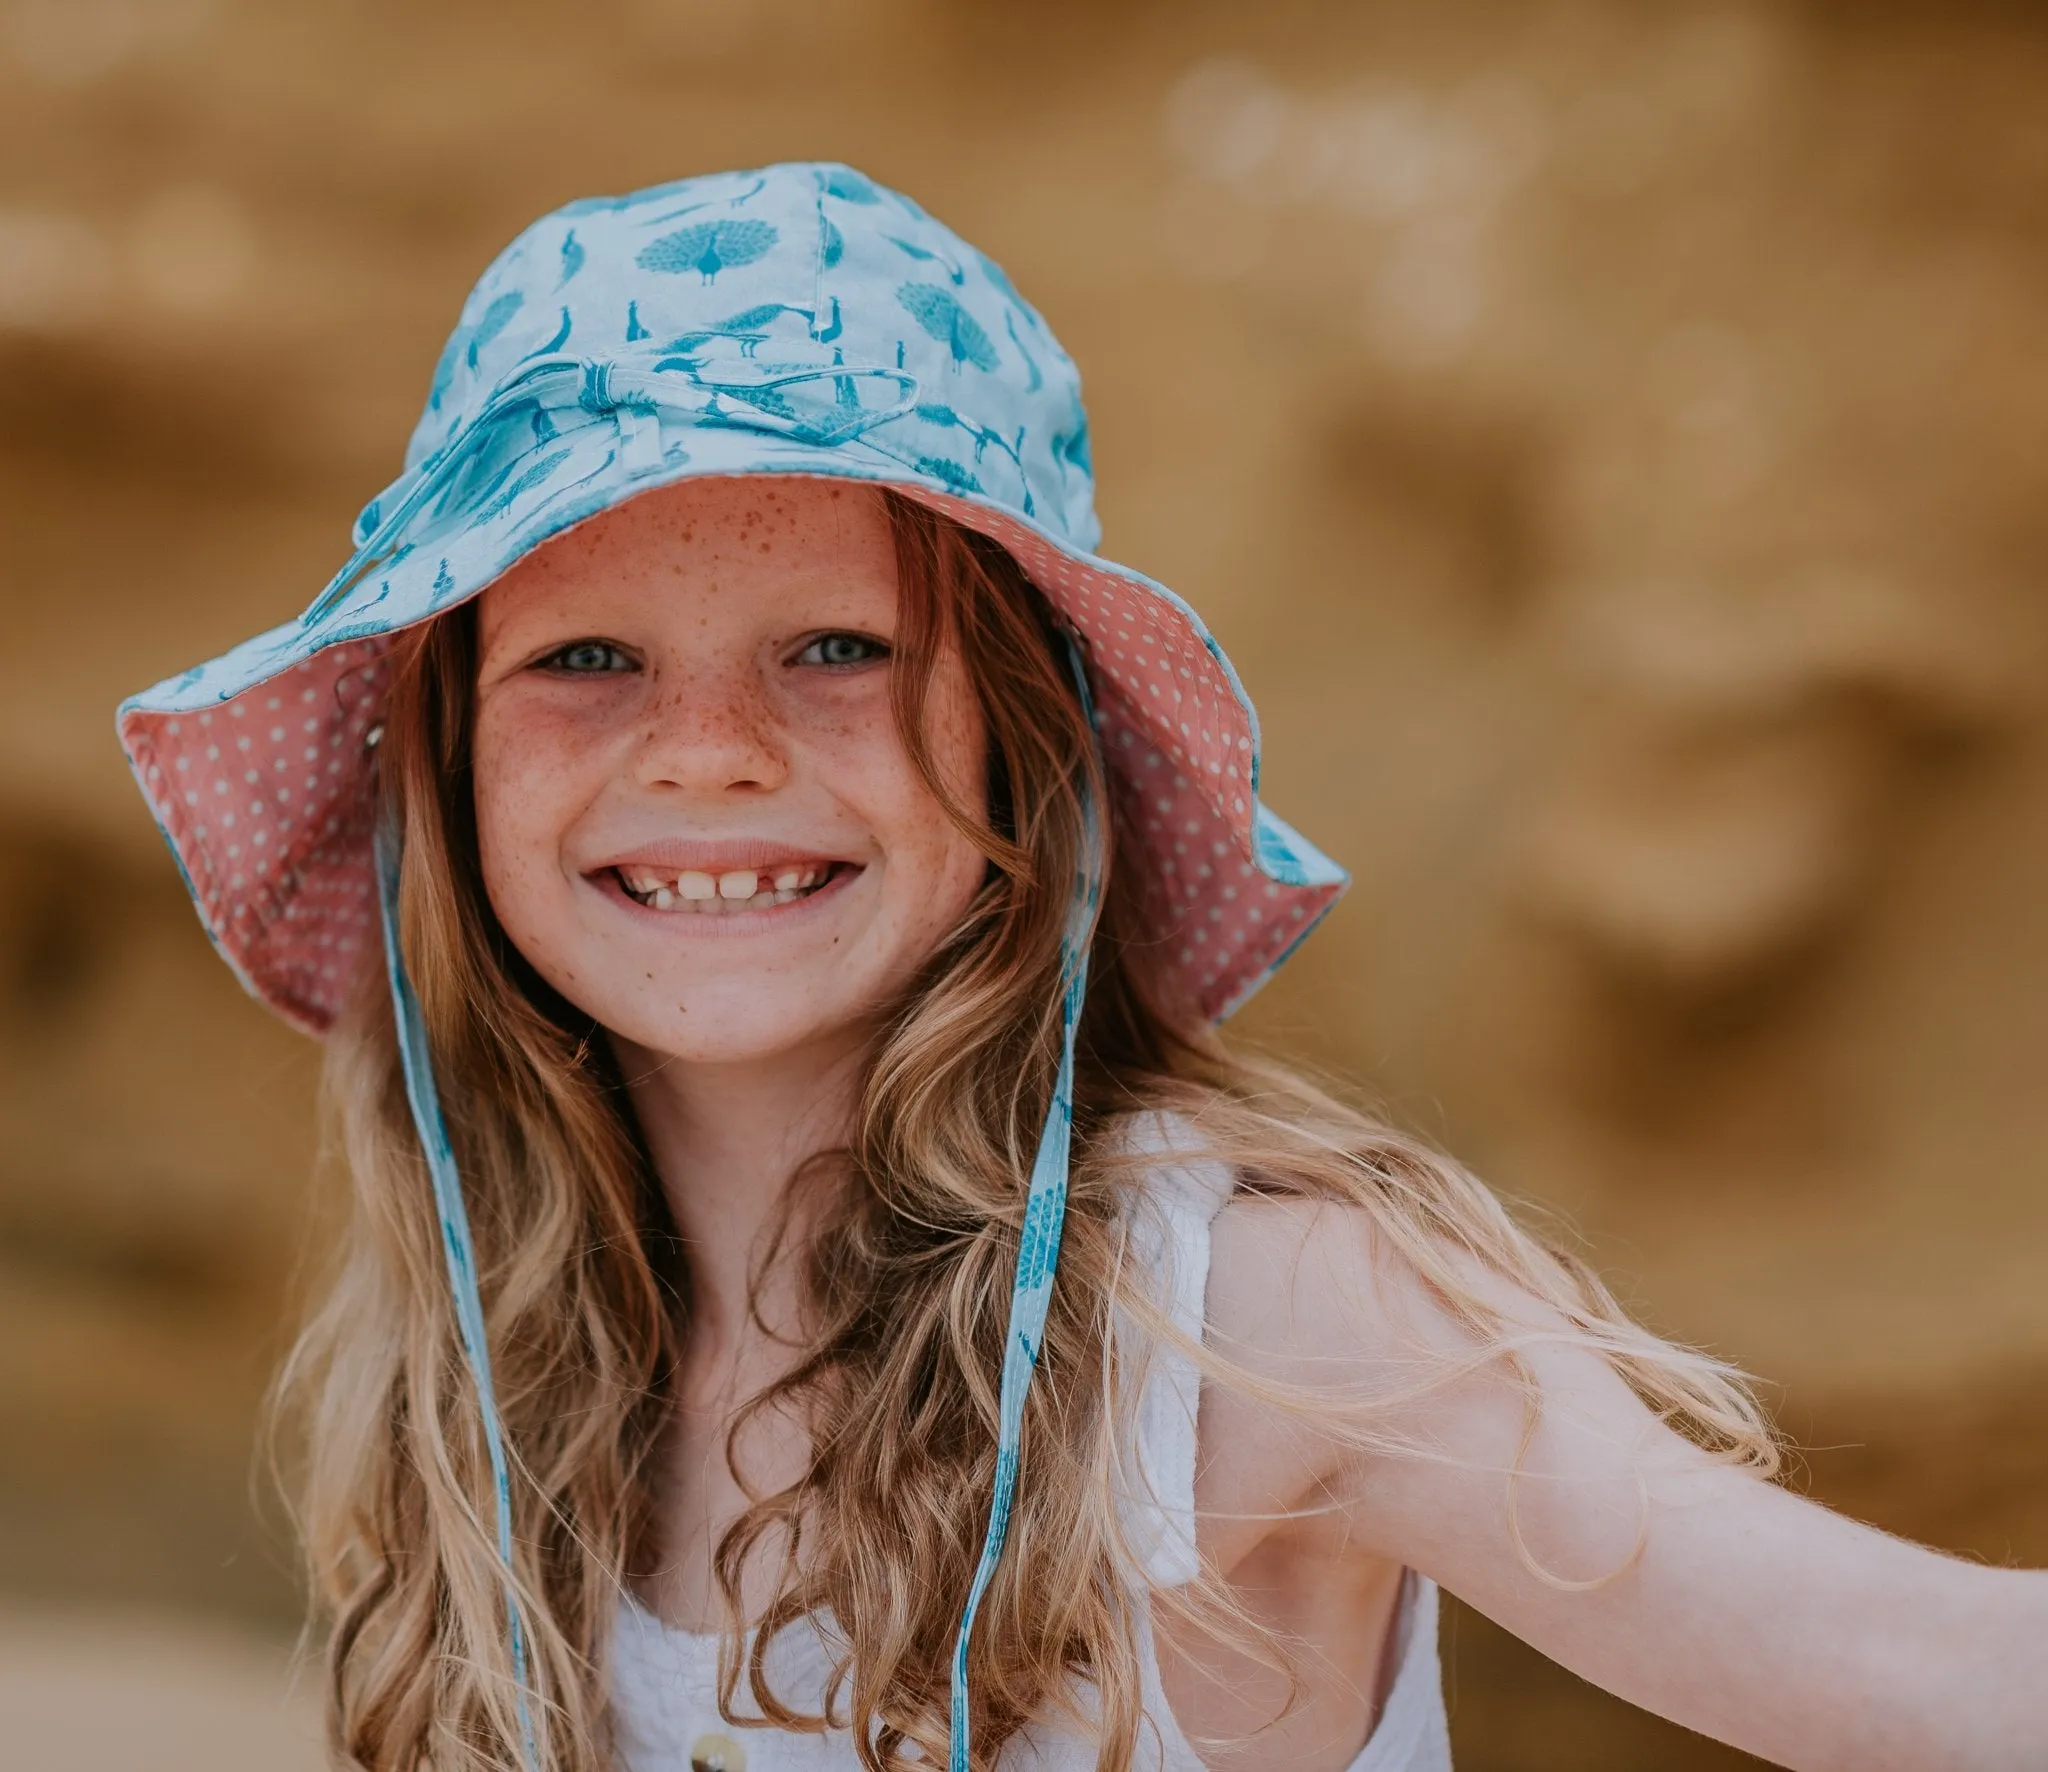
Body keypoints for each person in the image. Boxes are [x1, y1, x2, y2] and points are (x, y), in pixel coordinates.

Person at [117, 164, 2044, 1772]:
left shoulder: (1257, 1317)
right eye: (584, 660)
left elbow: (1945, 1676)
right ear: (447, 772)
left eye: (839, 648)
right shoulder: (505, 1347)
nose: (706, 750)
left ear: (1028, 746)